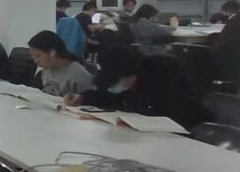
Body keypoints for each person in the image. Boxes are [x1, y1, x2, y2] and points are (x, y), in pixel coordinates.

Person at [65, 46, 210, 128]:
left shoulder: (162, 77)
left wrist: (135, 123)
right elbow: (107, 95)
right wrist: (83, 98)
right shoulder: (128, 82)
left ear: (131, 73)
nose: (113, 86)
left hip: (184, 132)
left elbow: (170, 116)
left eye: (115, 80)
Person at [27, 31, 94, 96]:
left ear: (52, 52)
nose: (35, 61)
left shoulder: (79, 75)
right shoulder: (45, 71)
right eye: (33, 56)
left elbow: (90, 100)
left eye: (38, 56)